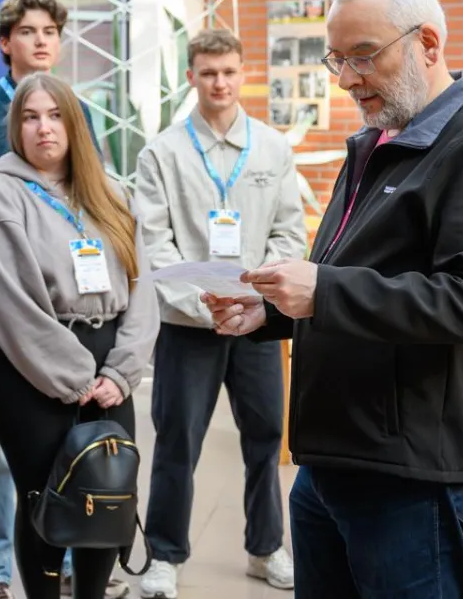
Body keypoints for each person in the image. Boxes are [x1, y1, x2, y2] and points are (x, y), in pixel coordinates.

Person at [203, 0, 463, 598]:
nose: (348, 81)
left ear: (428, 44)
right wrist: (271, 311)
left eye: (363, 56)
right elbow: (348, 276)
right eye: (337, 60)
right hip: (334, 454)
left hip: (408, 470)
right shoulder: (374, 142)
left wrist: (322, 292)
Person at [0, 72, 158, 599]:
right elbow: (11, 307)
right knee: (46, 502)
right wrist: (76, 378)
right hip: (30, 368)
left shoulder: (112, 194)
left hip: (109, 363)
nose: (43, 128)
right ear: (16, 128)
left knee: (107, 494)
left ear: (74, 123)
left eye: (54, 116)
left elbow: (143, 289)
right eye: (30, 117)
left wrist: (121, 371)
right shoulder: (0, 199)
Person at [0, 0, 119, 599]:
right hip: (10, 311)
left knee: (77, 442)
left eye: (51, 30)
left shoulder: (81, 112)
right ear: (6, 42)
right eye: (28, 31)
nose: (42, 40)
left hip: (80, 312)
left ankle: (72, 555)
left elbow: (94, 205)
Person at [135, 29, 306, 598]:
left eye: (229, 71)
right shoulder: (162, 152)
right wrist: (203, 302)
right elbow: (155, 245)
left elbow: (289, 231)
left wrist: (258, 298)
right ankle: (164, 556)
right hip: (191, 327)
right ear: (191, 77)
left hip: (258, 322)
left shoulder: (273, 149)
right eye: (208, 72)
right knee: (177, 441)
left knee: (266, 435)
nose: (220, 82)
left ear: (242, 72)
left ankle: (266, 548)